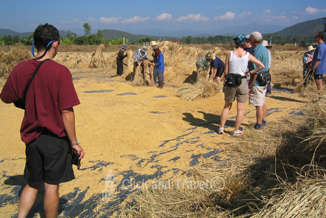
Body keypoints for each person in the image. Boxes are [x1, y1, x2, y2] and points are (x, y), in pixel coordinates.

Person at [0, 23, 85, 218]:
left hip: (32, 139)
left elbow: (5, 97)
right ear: (55, 44)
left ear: (35, 44)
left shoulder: (20, 68)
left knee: (32, 183)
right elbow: (66, 112)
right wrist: (74, 143)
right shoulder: (60, 72)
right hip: (55, 140)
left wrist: (28, 102)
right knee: (51, 187)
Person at [218, 35, 264, 137]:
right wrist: (251, 72)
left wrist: (225, 83)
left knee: (227, 106)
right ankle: (236, 130)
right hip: (242, 81)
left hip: (230, 81)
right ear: (244, 43)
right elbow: (261, 66)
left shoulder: (229, 54)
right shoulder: (248, 55)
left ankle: (221, 127)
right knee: (240, 108)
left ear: (235, 43)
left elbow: (226, 71)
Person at [248, 31, 270, 130]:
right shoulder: (264, 49)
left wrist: (250, 85)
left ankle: (258, 125)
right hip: (265, 78)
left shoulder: (256, 52)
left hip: (258, 81)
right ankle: (263, 120)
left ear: (252, 40)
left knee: (258, 105)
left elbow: (255, 71)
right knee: (262, 101)